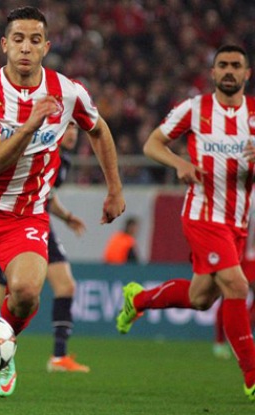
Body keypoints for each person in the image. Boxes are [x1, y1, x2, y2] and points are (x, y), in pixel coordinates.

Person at [0, 7, 125, 414]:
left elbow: (99, 129)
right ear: (4, 44)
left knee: (28, 293)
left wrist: (114, 189)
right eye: (18, 39)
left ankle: (4, 344)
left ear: (46, 47)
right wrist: (31, 125)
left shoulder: (68, 91)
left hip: (24, 214)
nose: (26, 47)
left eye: (35, 40)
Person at [116, 44, 255, 401]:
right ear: (212, 72)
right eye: (222, 64)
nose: (229, 70)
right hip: (202, 216)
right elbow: (152, 144)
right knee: (237, 286)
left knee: (200, 298)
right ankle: (252, 374)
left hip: (238, 223)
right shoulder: (194, 109)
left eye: (235, 65)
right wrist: (178, 163)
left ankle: (138, 299)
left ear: (247, 73)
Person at [0, 123, 91, 390]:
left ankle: (59, 356)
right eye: (68, 127)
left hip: (40, 224)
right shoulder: (37, 149)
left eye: (76, 129)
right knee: (1, 298)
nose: (73, 133)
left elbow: (48, 196)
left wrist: (67, 217)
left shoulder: (63, 160)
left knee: (66, 286)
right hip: (14, 225)